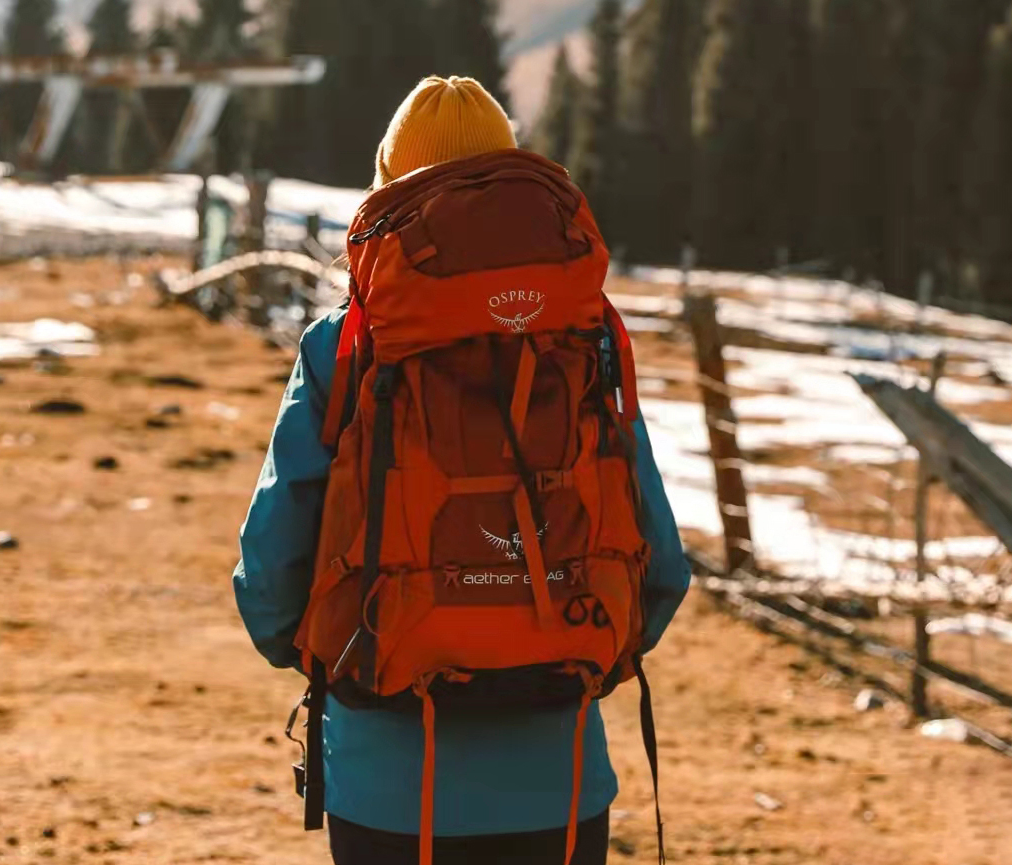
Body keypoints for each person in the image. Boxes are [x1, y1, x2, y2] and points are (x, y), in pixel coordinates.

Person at [234, 76, 690, 865]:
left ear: (389, 192)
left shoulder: (345, 344)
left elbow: (270, 565)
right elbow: (663, 563)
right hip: (561, 770)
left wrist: (326, 661)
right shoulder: (587, 339)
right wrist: (568, 649)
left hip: (386, 776)